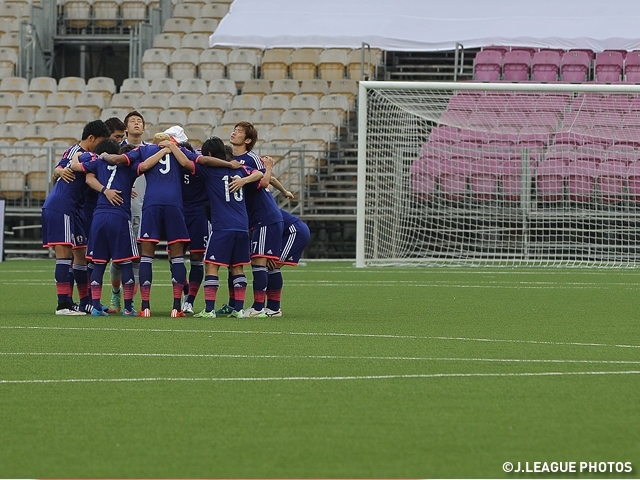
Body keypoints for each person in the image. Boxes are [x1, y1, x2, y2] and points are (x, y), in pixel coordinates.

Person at [69, 138, 170, 316]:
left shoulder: (97, 162)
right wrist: (164, 151)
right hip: (120, 216)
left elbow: (76, 168)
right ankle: (128, 307)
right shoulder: (128, 165)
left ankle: (96, 307)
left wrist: (77, 155)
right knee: (125, 263)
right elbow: (145, 166)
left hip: (99, 216)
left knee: (98, 263)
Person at [188, 136, 264, 318]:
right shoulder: (241, 170)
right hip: (242, 226)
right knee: (237, 267)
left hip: (223, 226)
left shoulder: (210, 171)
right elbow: (260, 173)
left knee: (211, 266)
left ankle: (208, 310)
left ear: (211, 154)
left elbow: (189, 161)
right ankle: (238, 309)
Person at [42, 120, 111, 315]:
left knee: (80, 254)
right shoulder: (82, 153)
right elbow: (60, 170)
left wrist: (59, 171)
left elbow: (60, 169)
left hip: (74, 209)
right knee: (64, 255)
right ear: (91, 138)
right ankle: (62, 305)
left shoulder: (77, 152)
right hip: (61, 206)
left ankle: (84, 302)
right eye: (100, 142)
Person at [228, 121, 284, 318]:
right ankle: (273, 308)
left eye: (240, 131)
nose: (234, 133)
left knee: (259, 263)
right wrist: (285, 191)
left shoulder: (252, 158)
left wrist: (243, 180)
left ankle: (258, 308)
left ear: (248, 139)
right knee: (266, 264)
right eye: (235, 130)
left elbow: (265, 179)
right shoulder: (228, 158)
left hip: (264, 215)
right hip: (254, 218)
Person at [108, 111, 148, 312]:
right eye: (132, 121)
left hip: (143, 210)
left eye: (140, 121)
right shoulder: (115, 151)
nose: (137, 123)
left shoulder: (151, 150)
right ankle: (115, 297)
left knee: (138, 258)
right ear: (126, 128)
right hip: (121, 210)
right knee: (119, 257)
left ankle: (134, 301)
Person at [177, 139, 209, 314]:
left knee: (197, 258)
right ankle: (185, 291)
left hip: (198, 216)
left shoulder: (201, 164)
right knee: (175, 259)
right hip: (178, 215)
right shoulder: (172, 166)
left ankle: (190, 300)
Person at [265, 209, 311, 317]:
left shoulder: (258, 208)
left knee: (273, 266)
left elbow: (273, 228)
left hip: (294, 231)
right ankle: (270, 307)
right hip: (289, 231)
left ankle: (274, 308)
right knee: (267, 266)